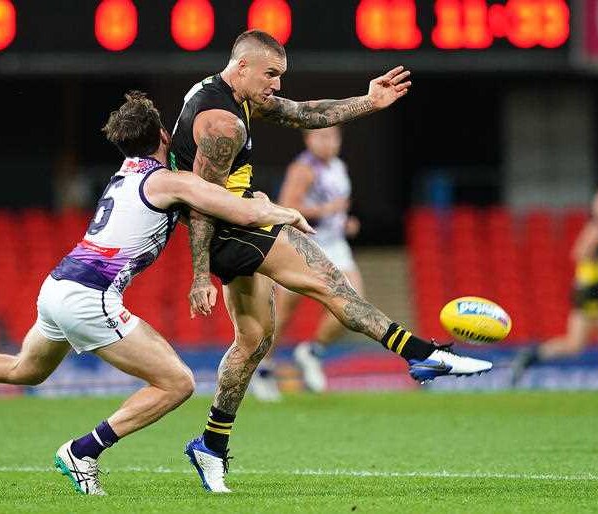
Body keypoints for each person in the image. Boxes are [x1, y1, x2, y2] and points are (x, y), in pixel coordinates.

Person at [0, 91, 313, 496]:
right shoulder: (165, 181)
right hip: (90, 296)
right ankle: (83, 451)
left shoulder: (125, 173)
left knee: (24, 370)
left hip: (58, 287)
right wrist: (286, 211)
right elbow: (238, 209)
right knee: (177, 382)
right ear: (164, 136)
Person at [170, 30, 493, 494]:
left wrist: (367, 101)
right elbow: (200, 202)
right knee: (332, 286)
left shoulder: (229, 94)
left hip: (236, 218)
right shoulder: (223, 123)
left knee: (254, 341)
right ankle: (423, 355)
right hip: (232, 226)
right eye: (271, 74)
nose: (277, 85)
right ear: (242, 67)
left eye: (280, 76)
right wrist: (200, 274)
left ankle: (211, 446)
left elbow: (303, 112)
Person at [252, 125, 362, 400]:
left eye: (333, 137)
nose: (328, 143)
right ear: (309, 139)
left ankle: (312, 352)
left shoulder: (339, 166)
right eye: (321, 137)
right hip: (304, 244)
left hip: (335, 245)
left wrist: (344, 221)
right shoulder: (302, 169)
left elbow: (337, 206)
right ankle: (262, 368)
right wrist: (327, 212)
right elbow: (288, 206)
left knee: (355, 303)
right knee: (284, 313)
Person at [511, 187, 598, 389]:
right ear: (596, 208)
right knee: (575, 345)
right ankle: (530, 356)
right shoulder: (596, 229)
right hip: (588, 292)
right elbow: (579, 253)